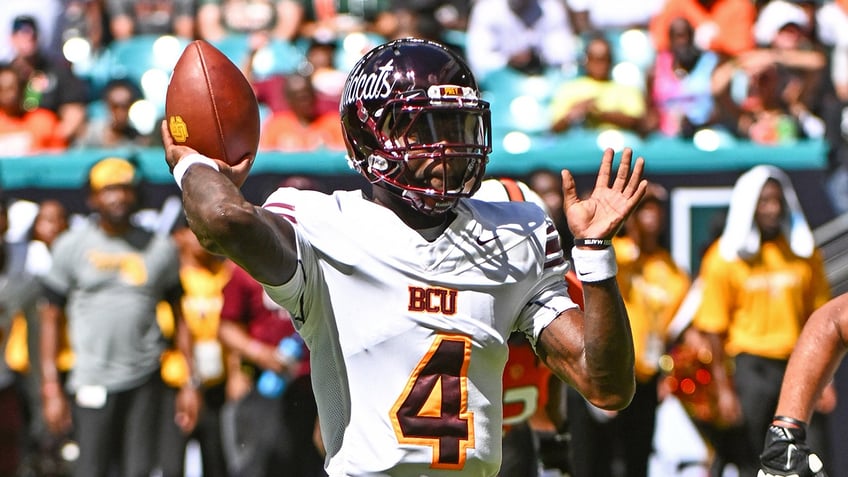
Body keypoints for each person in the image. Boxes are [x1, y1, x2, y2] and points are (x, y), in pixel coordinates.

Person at [162, 37, 647, 476]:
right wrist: (193, 162)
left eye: (458, 126)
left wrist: (596, 254)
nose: (447, 149)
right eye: (424, 128)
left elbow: (606, 384)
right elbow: (222, 219)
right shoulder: (323, 225)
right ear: (370, 137)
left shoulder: (512, 230)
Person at [38, 157, 201, 477]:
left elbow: (181, 318)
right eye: (108, 189)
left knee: (139, 470)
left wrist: (190, 382)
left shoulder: (159, 248)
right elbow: (49, 319)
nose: (118, 197)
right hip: (90, 379)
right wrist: (50, 387)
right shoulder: (71, 247)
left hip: (145, 378)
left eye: (125, 189)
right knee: (90, 469)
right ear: (92, 198)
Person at [690, 164, 834, 477]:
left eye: (777, 201)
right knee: (754, 457)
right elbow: (713, 328)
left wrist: (827, 378)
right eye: (764, 201)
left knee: (812, 453)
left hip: (800, 363)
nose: (772, 209)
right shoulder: (723, 257)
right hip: (751, 369)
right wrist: (724, 389)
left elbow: (821, 316)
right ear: (748, 205)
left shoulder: (803, 253)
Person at [568, 183, 691, 477]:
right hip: (605, 371)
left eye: (655, 208)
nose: (650, 215)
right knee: (594, 461)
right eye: (643, 207)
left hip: (644, 380)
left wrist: (667, 374)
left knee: (636, 461)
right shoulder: (617, 253)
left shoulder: (673, 270)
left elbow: (674, 331)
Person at [156, 222, 231, 477]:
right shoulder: (171, 281)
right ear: (177, 235)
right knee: (171, 464)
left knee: (217, 463)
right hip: (176, 385)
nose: (203, 236)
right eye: (193, 229)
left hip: (216, 382)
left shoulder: (224, 274)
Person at [549, 34, 646, 135]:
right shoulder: (568, 89)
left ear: (611, 60)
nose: (599, 64)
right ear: (586, 60)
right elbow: (554, 127)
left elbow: (637, 122)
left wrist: (598, 113)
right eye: (594, 58)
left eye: (604, 58)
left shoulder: (627, 89)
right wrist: (573, 114)